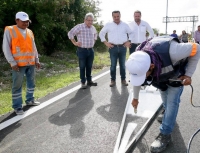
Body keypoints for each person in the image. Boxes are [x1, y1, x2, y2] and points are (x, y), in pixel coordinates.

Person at [126, 36, 200, 152]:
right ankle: (167, 114)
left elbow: (197, 47)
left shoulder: (174, 51)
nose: (142, 79)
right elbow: (137, 78)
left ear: (151, 66)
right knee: (165, 99)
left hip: (176, 74)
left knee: (172, 103)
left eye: (143, 76)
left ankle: (165, 134)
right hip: (161, 77)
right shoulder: (138, 58)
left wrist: (189, 74)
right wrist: (135, 98)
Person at [2, 12, 41, 115]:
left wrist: (36, 59)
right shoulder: (10, 30)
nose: (25, 23)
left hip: (31, 62)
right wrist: (12, 62)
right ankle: (17, 106)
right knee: (17, 86)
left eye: (27, 21)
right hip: (18, 65)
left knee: (31, 82)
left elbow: (34, 46)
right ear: (16, 21)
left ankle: (30, 100)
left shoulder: (30, 32)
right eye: (23, 21)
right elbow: (6, 48)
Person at [99, 10, 133, 87]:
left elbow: (131, 33)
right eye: (115, 17)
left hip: (122, 47)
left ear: (120, 16)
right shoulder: (108, 25)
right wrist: (106, 43)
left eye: (118, 16)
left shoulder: (125, 25)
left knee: (123, 65)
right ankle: (112, 80)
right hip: (112, 47)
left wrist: (129, 41)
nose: (116, 18)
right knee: (113, 65)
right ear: (112, 17)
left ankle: (123, 80)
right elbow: (101, 33)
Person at [68, 13, 98, 89]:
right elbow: (70, 33)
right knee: (82, 67)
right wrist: (74, 42)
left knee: (89, 66)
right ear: (85, 20)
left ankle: (89, 81)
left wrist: (93, 42)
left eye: (92, 21)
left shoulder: (93, 28)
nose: (90, 22)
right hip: (82, 50)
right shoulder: (80, 27)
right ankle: (83, 82)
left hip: (90, 50)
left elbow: (95, 35)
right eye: (89, 20)